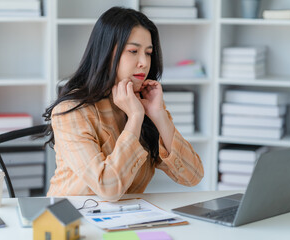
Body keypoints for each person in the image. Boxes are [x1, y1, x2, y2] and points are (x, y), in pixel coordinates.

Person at [43, 7, 204, 201]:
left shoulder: (146, 102)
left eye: (149, 53)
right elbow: (108, 189)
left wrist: (159, 115)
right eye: (133, 51)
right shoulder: (71, 111)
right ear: (106, 53)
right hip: (70, 219)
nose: (144, 62)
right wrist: (135, 118)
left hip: (125, 217)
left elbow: (193, 176)